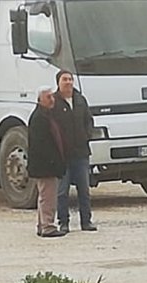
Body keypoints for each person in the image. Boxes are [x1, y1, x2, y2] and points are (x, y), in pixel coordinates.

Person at [53, 70, 97, 233]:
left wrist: (87, 135)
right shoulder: (54, 102)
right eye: (65, 79)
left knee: (84, 190)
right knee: (62, 192)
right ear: (58, 83)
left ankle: (86, 221)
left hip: (81, 154)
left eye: (70, 79)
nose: (68, 82)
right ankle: (63, 223)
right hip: (63, 156)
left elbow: (89, 121)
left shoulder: (80, 100)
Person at [27, 85, 67, 238]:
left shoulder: (46, 115)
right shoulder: (39, 118)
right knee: (48, 197)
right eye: (48, 97)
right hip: (45, 166)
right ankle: (48, 226)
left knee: (44, 195)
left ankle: (41, 225)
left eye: (52, 96)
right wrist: (53, 163)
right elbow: (42, 145)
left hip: (46, 165)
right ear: (40, 100)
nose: (52, 100)